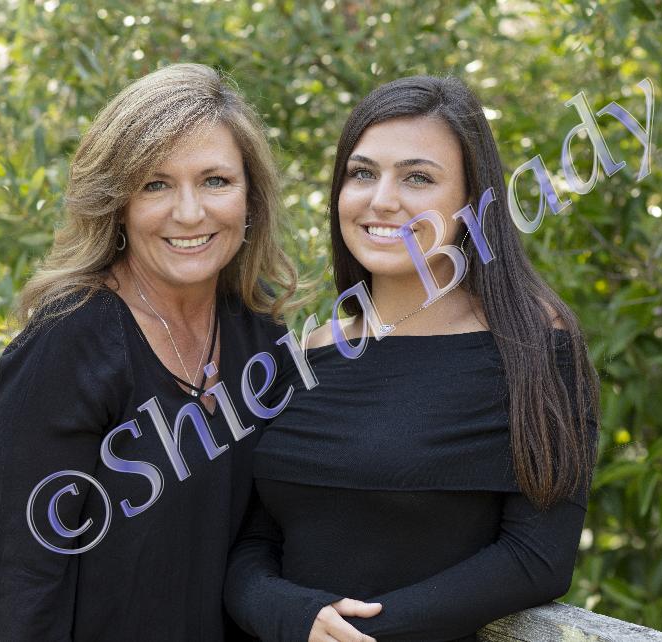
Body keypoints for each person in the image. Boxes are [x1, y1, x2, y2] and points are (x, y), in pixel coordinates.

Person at [224, 75, 601, 642]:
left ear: (473, 201)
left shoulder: (534, 349)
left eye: (417, 177)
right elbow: (253, 544)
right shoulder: (303, 352)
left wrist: (363, 635)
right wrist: (293, 616)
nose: (382, 200)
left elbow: (537, 558)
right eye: (362, 173)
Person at [0, 63, 298, 641]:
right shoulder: (68, 342)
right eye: (155, 184)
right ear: (116, 203)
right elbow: (26, 580)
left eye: (215, 181)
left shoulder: (263, 338)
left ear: (250, 196)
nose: (190, 212)